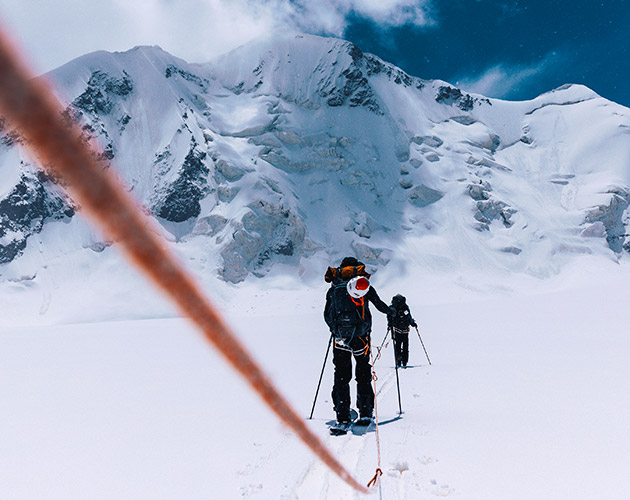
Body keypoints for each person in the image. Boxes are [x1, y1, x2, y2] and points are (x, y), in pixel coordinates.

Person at [324, 256, 392, 433]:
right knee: (362, 372)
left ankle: (343, 415)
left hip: (340, 339)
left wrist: (335, 331)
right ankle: (365, 412)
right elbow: (379, 305)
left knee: (341, 376)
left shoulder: (334, 287)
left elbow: (326, 314)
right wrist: (391, 311)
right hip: (361, 338)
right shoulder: (362, 285)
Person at [388, 294, 417, 368]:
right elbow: (409, 317)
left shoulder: (392, 307)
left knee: (397, 344)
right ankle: (404, 361)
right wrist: (413, 324)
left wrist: (389, 324)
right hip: (405, 330)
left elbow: (389, 317)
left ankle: (398, 359)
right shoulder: (405, 307)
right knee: (405, 345)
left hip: (396, 329)